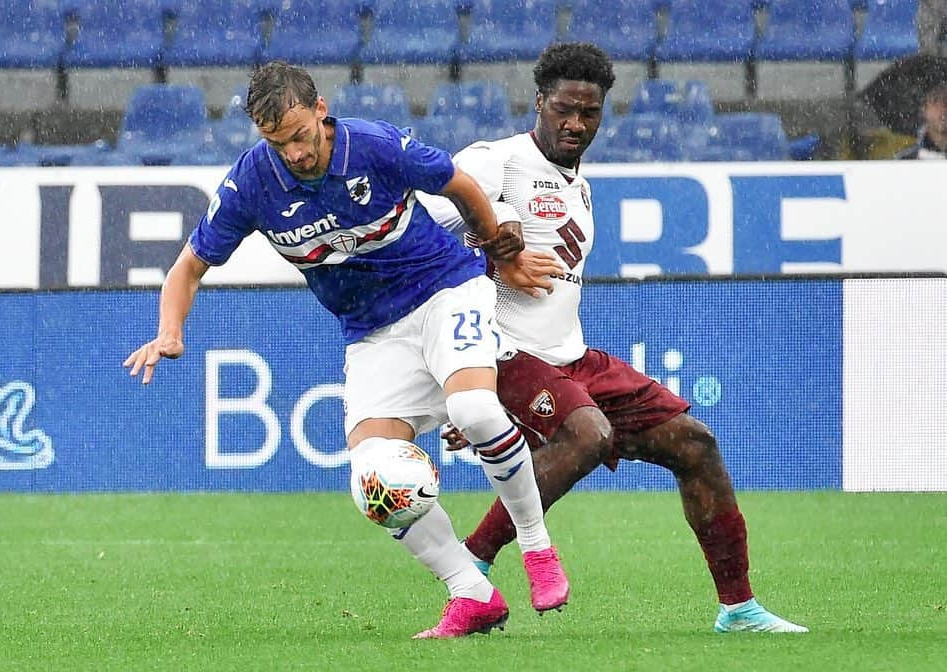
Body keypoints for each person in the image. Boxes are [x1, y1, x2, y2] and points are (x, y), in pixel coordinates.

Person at [123, 61, 571, 640]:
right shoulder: (251, 184)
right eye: (276, 143)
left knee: (476, 412)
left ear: (320, 110)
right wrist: (170, 331)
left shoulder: (376, 146)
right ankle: (473, 592)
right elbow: (188, 268)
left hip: (444, 292)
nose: (294, 154)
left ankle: (537, 547)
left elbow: (458, 184)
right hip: (373, 335)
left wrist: (500, 251)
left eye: (300, 137)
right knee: (375, 485)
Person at [420, 42, 809, 634]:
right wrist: (497, 242)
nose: (575, 124)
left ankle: (739, 609)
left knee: (694, 444)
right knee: (589, 434)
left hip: (570, 359)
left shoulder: (579, 184)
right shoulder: (496, 160)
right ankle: (474, 560)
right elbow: (424, 217)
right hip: (505, 354)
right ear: (538, 103)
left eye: (589, 113)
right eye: (563, 110)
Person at [895, 83, 947, 159]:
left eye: (946, 100)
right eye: (935, 100)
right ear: (924, 110)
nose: (943, 107)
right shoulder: (906, 161)